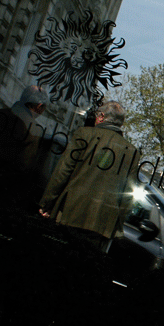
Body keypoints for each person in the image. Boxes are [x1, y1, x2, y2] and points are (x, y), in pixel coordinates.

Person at [38, 101, 139, 250]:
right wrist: (115, 225)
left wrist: (47, 204)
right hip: (101, 226)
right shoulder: (131, 151)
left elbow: (63, 172)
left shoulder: (85, 134)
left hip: (69, 215)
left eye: (97, 115)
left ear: (101, 116)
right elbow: (128, 195)